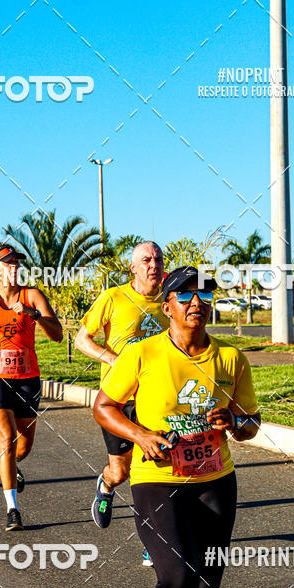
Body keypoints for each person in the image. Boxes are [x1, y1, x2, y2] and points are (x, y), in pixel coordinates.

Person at [93, 266, 261, 588]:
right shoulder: (143, 354)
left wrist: (236, 422)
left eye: (203, 296)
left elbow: (250, 424)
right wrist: (141, 436)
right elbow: (105, 406)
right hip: (158, 479)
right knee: (177, 578)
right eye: (184, 297)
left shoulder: (230, 359)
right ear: (166, 306)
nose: (195, 304)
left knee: (208, 585)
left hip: (215, 480)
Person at [75, 241, 168, 565]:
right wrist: (116, 362)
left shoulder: (170, 301)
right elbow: (81, 339)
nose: (153, 265)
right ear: (133, 267)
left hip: (154, 401)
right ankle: (106, 484)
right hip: (117, 401)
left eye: (157, 259)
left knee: (155, 470)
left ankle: (153, 540)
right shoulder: (113, 297)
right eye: (146, 260)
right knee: (123, 471)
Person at [0, 244, 63, 530]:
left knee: (23, 446)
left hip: (27, 378)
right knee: (5, 440)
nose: (13, 268)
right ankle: (12, 509)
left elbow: (57, 335)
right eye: (7, 264)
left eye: (16, 263)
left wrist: (34, 315)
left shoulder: (32, 296)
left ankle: (14, 467)